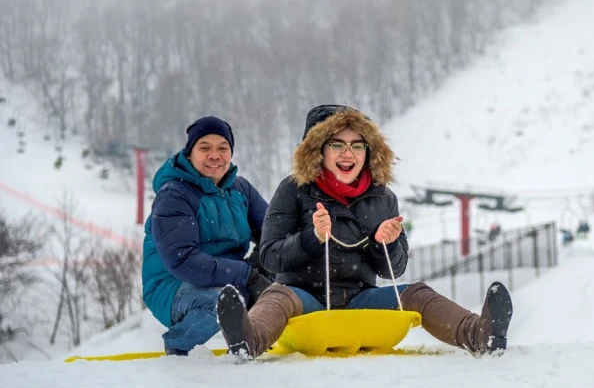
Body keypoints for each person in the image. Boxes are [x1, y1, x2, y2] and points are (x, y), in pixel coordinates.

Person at [216, 104, 513, 360]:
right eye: (337, 144)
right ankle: (248, 341)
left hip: (360, 298)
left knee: (417, 292)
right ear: (318, 151)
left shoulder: (382, 198)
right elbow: (269, 257)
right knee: (277, 297)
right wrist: (312, 239)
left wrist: (385, 242)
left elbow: (394, 270)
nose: (348, 153)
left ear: (368, 151)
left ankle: (480, 334)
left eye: (357, 145)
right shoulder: (293, 190)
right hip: (304, 296)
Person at [142, 116, 272, 356]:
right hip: (172, 285)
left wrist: (267, 265)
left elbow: (273, 232)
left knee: (278, 285)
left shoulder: (240, 189)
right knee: (220, 302)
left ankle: (264, 337)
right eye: (205, 148)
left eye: (223, 148)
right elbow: (184, 262)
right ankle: (178, 343)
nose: (215, 155)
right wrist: (248, 275)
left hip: (228, 278)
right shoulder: (175, 195)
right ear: (190, 153)